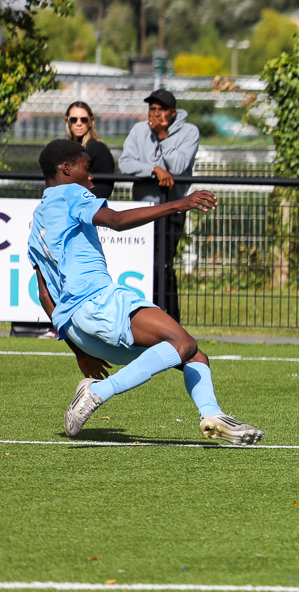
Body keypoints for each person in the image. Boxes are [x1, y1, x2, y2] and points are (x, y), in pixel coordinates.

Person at [29, 139, 263, 446]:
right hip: (99, 302)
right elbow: (116, 221)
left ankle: (212, 414)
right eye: (87, 168)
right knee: (183, 342)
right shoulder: (72, 193)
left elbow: (44, 293)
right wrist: (181, 203)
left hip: (79, 329)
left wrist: (81, 351)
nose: (91, 177)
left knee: (194, 356)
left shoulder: (37, 219)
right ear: (66, 169)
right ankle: (98, 392)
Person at [118, 89, 200, 322]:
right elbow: (125, 164)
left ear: (172, 113)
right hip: (144, 208)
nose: (155, 114)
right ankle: (143, 319)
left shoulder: (189, 132)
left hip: (173, 207)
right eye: (151, 109)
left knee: (163, 264)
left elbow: (179, 165)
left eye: (161, 110)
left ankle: (170, 320)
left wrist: (163, 137)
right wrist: (153, 170)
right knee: (143, 264)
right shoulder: (139, 130)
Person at [65, 101, 115, 199]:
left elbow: (104, 187)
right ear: (67, 121)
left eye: (84, 119)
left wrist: (84, 203)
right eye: (74, 119)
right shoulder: (66, 148)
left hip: (86, 206)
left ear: (91, 120)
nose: (79, 123)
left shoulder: (98, 148)